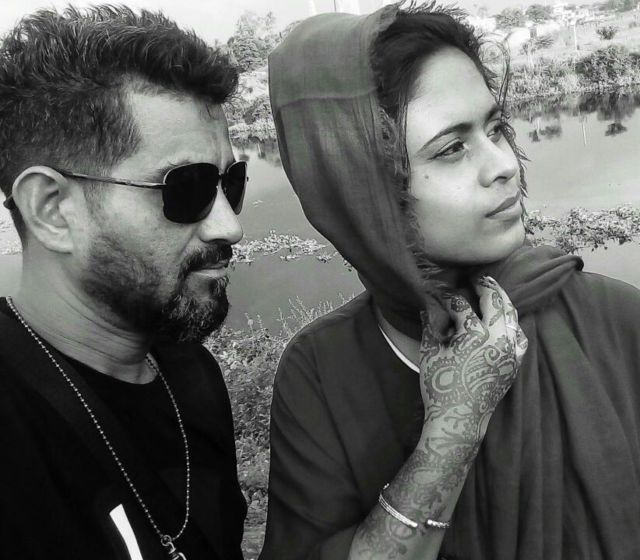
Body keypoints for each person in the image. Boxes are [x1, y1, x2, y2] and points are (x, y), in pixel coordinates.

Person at [261, 3, 640, 560]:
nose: (504, 164)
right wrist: (453, 431)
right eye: (452, 148)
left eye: (496, 128)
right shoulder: (320, 373)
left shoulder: (616, 320)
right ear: (359, 186)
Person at [0, 6, 248, 559]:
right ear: (51, 210)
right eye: (186, 188)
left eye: (231, 181)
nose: (229, 225)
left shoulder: (193, 374)